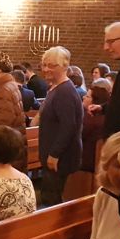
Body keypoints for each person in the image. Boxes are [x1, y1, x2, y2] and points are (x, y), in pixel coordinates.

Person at [38, 46, 83, 206]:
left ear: (65, 66)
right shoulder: (56, 88)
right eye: (44, 65)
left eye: (52, 65)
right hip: (54, 155)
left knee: (52, 201)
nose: (46, 69)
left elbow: (68, 126)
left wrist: (54, 154)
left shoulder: (65, 92)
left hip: (60, 158)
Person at [80, 80, 112, 172]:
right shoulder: (103, 118)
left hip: (85, 163)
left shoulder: (90, 120)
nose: (83, 97)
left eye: (87, 96)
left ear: (95, 101)